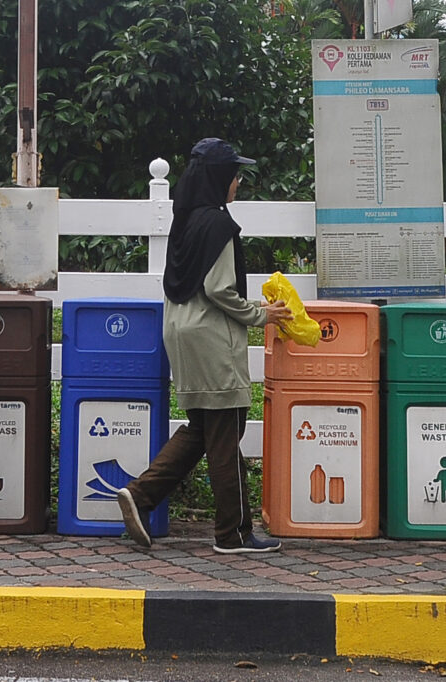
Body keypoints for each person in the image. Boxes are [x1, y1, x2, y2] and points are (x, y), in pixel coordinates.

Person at [117, 137, 292, 554]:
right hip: (212, 335)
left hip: (180, 328)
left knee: (203, 428)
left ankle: (139, 496)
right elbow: (220, 289)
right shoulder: (218, 224)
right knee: (227, 433)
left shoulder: (186, 219)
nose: (238, 182)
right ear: (218, 178)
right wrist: (262, 314)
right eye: (234, 175)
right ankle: (232, 534)